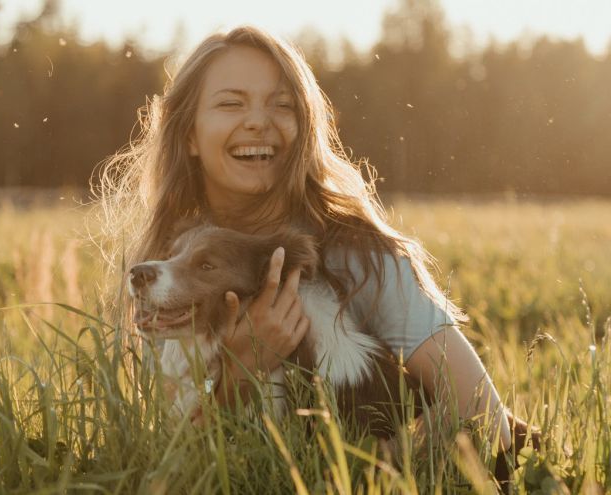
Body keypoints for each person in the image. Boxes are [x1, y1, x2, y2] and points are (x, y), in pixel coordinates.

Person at [97, 25, 528, 464]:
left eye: (282, 105)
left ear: (304, 128)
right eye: (231, 103)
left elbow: (483, 413)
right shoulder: (163, 269)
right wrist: (241, 367)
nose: (258, 122)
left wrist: (377, 472)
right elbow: (167, 454)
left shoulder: (362, 256)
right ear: (188, 133)